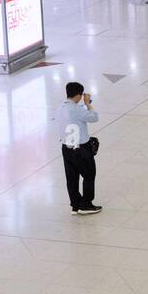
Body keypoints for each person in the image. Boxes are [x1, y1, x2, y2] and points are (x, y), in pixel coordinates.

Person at [58, 81, 101, 215]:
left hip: (66, 147)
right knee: (89, 175)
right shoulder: (77, 109)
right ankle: (86, 204)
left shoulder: (61, 107)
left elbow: (76, 114)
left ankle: (76, 204)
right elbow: (94, 117)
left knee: (72, 178)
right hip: (81, 148)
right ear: (78, 95)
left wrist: (82, 105)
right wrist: (88, 104)